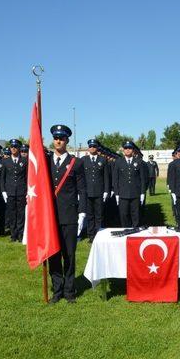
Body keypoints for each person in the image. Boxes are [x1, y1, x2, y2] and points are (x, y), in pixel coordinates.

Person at [47, 125, 86, 304]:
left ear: (67, 141)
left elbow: (82, 190)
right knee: (53, 255)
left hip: (69, 216)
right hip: (50, 217)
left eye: (62, 138)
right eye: (56, 138)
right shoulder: (46, 162)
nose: (58, 141)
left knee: (69, 255)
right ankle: (57, 290)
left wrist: (82, 214)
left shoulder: (75, 163)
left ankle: (70, 291)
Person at [113, 140, 146, 227]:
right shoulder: (118, 162)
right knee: (124, 215)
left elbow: (142, 179)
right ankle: (126, 232)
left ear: (133, 150)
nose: (128, 150)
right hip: (123, 194)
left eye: (130, 148)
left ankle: (135, 233)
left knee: (136, 215)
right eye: (126, 148)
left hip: (135, 194)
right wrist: (116, 193)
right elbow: (115, 179)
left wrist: (142, 193)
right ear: (123, 150)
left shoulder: (139, 162)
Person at [1, 139, 28, 242]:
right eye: (12, 147)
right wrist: (3, 191)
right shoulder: (5, 161)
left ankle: (21, 234)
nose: (13, 148)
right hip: (10, 192)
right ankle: (13, 235)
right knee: (12, 214)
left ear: (19, 148)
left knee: (21, 214)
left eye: (15, 147)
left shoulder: (24, 161)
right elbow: (2, 178)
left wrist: (27, 191)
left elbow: (26, 177)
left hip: (21, 191)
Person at [82, 139, 109, 241]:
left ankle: (99, 234)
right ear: (88, 148)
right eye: (90, 146)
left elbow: (106, 176)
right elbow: (82, 177)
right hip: (88, 192)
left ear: (97, 148)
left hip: (99, 191)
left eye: (94, 146)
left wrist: (106, 190)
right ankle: (91, 235)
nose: (92, 148)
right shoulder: (84, 160)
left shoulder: (103, 160)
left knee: (99, 215)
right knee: (90, 215)